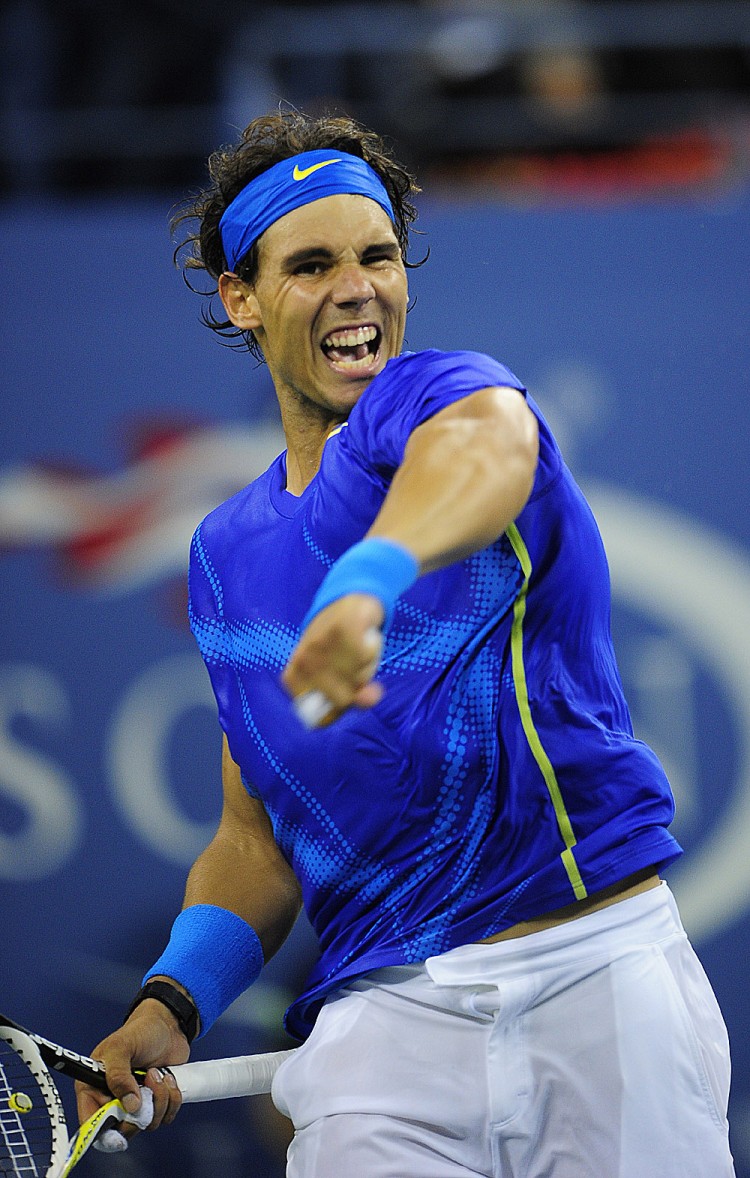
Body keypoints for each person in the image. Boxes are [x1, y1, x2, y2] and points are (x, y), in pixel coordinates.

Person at [76, 109, 735, 1177]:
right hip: (381, 1034)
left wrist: (368, 581)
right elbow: (256, 835)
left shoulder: (443, 396)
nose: (357, 287)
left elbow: (490, 445)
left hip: (598, 979)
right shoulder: (222, 557)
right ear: (240, 298)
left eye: (379, 254)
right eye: (312, 264)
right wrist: (173, 993)